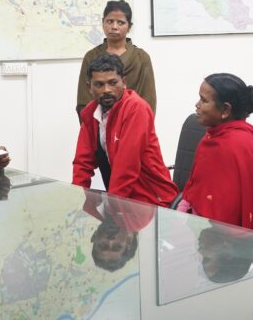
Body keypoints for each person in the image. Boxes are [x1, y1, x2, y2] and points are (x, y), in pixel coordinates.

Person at [178, 73, 253, 236]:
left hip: (224, 240)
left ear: (225, 110)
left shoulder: (233, 145)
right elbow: (198, 188)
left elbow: (225, 213)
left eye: (204, 100)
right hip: (206, 230)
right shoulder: (214, 137)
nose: (197, 105)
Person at [72, 53, 177, 206]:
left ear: (124, 82)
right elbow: (82, 162)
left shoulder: (136, 109)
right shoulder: (91, 112)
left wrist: (113, 207)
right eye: (99, 84)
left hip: (152, 200)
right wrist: (76, 199)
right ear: (89, 87)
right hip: (122, 198)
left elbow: (126, 168)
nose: (107, 90)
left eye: (113, 83)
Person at [76, 0, 157, 116]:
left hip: (133, 120)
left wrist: (140, 122)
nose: (114, 27)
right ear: (103, 23)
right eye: (110, 21)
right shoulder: (91, 57)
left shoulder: (141, 58)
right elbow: (84, 100)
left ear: (129, 26)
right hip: (99, 122)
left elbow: (149, 99)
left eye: (120, 23)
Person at [82, 190, 154, 272]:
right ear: (129, 241)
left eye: (103, 245)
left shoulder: (92, 207)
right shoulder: (140, 216)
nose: (111, 240)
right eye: (117, 246)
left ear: (94, 237)